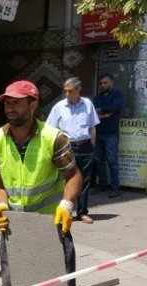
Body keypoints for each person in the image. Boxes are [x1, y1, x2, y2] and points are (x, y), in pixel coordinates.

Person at [0, 80, 82, 286]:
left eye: (16, 102)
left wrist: (66, 204)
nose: (10, 107)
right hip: (14, 224)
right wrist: (1, 206)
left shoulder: (54, 138)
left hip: (50, 223)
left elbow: (73, 175)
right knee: (12, 281)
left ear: (33, 103)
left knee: (58, 284)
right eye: (6, 102)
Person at [45, 77, 99, 224]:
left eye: (70, 91)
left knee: (85, 180)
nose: (67, 94)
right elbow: (50, 130)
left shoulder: (87, 104)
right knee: (64, 180)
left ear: (78, 90)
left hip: (86, 146)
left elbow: (92, 128)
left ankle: (82, 212)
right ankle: (63, 211)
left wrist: (92, 147)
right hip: (66, 148)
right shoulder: (59, 107)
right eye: (65, 91)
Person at [92, 73, 123, 198]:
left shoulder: (117, 94)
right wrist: (104, 113)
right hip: (98, 133)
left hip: (111, 134)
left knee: (112, 161)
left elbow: (112, 107)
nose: (103, 85)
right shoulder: (98, 97)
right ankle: (103, 185)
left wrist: (101, 111)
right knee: (99, 161)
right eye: (101, 83)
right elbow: (93, 110)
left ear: (112, 82)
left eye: (105, 83)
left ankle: (115, 188)